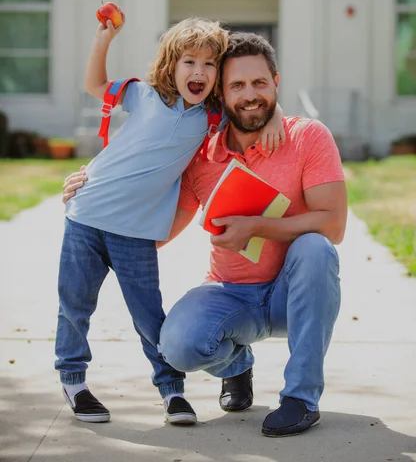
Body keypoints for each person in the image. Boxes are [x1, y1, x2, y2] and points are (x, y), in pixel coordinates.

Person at [63, 31, 346, 437]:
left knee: (316, 248)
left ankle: (301, 398)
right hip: (231, 292)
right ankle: (237, 367)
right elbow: (158, 231)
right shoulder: (202, 153)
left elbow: (333, 225)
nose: (250, 95)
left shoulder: (307, 137)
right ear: (220, 95)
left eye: (260, 84)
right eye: (237, 86)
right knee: (176, 346)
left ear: (276, 84)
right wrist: (93, 196)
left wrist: (257, 227)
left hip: (293, 294)